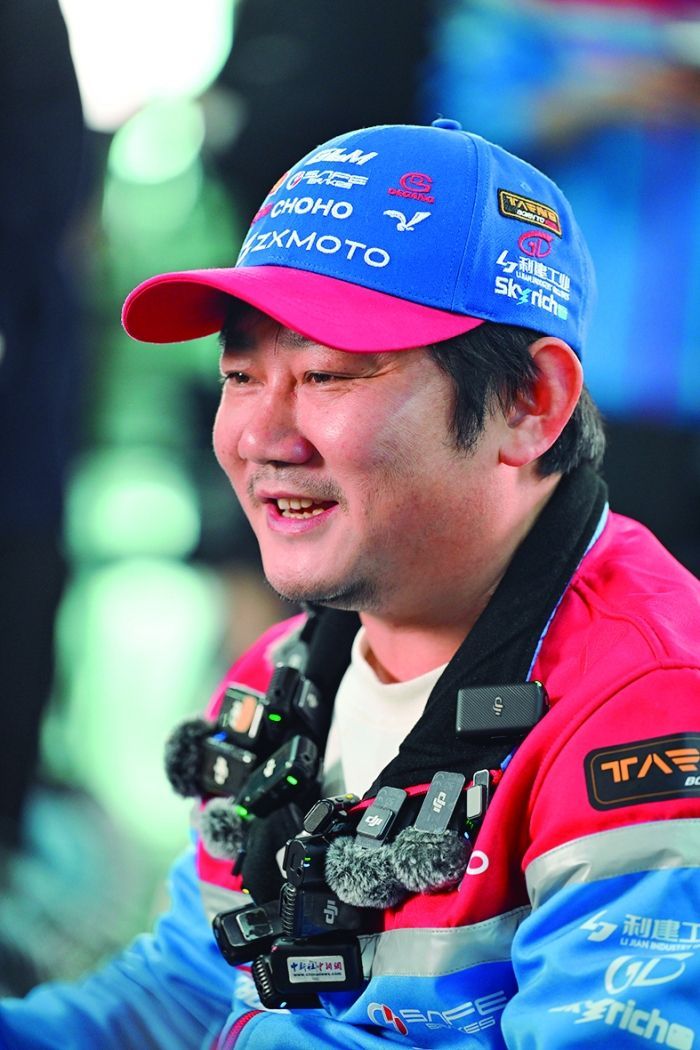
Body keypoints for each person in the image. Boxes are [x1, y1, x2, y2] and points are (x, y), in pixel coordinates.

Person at [2, 119, 699, 1048]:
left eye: (328, 374)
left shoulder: (655, 705)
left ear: (530, 404)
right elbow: (181, 997)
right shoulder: (277, 677)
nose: (259, 437)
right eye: (241, 374)